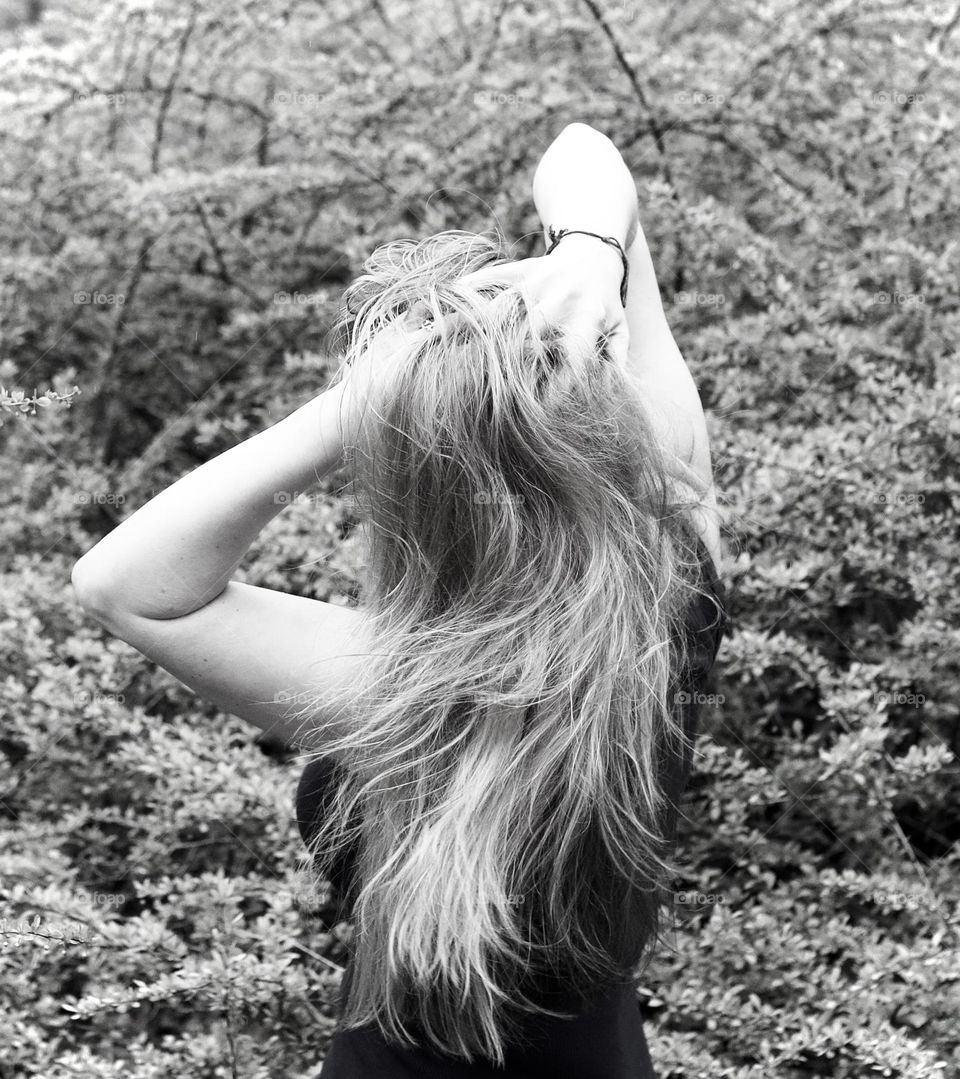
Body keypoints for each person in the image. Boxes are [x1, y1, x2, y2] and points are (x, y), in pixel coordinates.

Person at [72, 122, 729, 1078]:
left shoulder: (400, 690)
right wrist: (588, 250)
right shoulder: (671, 598)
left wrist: (358, 405)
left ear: (407, 487)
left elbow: (119, 582)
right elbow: (586, 148)